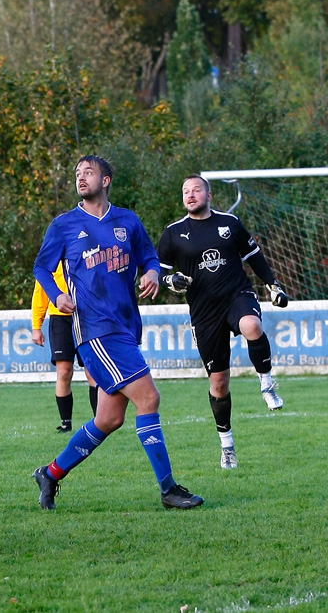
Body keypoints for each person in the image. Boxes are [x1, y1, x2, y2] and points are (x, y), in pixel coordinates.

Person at [31, 155, 204, 510]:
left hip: (125, 326)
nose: (81, 177)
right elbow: (42, 267)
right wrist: (57, 295)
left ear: (106, 180)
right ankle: (169, 489)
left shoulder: (128, 220)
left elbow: (149, 256)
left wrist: (153, 272)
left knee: (109, 419)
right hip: (95, 330)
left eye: (89, 172)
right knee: (150, 398)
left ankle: (50, 473)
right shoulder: (64, 225)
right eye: (77, 173)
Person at [157, 174, 289, 469]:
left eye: (196, 190)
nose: (190, 195)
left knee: (252, 326)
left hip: (236, 295)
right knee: (219, 384)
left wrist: (273, 284)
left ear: (210, 195)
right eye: (185, 191)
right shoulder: (173, 233)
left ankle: (266, 384)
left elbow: (254, 256)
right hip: (204, 312)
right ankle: (227, 446)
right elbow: (159, 271)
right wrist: (172, 280)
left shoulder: (230, 224)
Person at [31, 265, 98, 432]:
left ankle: (100, 421)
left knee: (93, 371)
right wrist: (36, 326)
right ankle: (66, 423)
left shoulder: (83, 250)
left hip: (85, 317)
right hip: (60, 320)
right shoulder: (50, 259)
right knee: (64, 371)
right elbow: (41, 291)